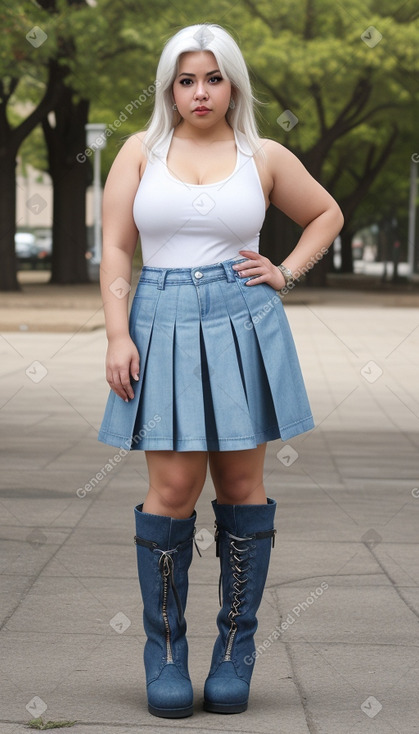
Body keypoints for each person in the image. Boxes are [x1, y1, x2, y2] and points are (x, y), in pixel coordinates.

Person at [98, 23, 343, 719]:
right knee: (172, 488)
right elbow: (116, 248)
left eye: (211, 78)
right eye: (185, 80)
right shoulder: (138, 152)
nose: (199, 92)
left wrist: (285, 272)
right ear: (168, 88)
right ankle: (166, 653)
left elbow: (324, 213)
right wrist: (118, 334)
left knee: (241, 486)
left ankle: (235, 648)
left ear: (232, 83)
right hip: (160, 317)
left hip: (243, 318)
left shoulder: (261, 154)